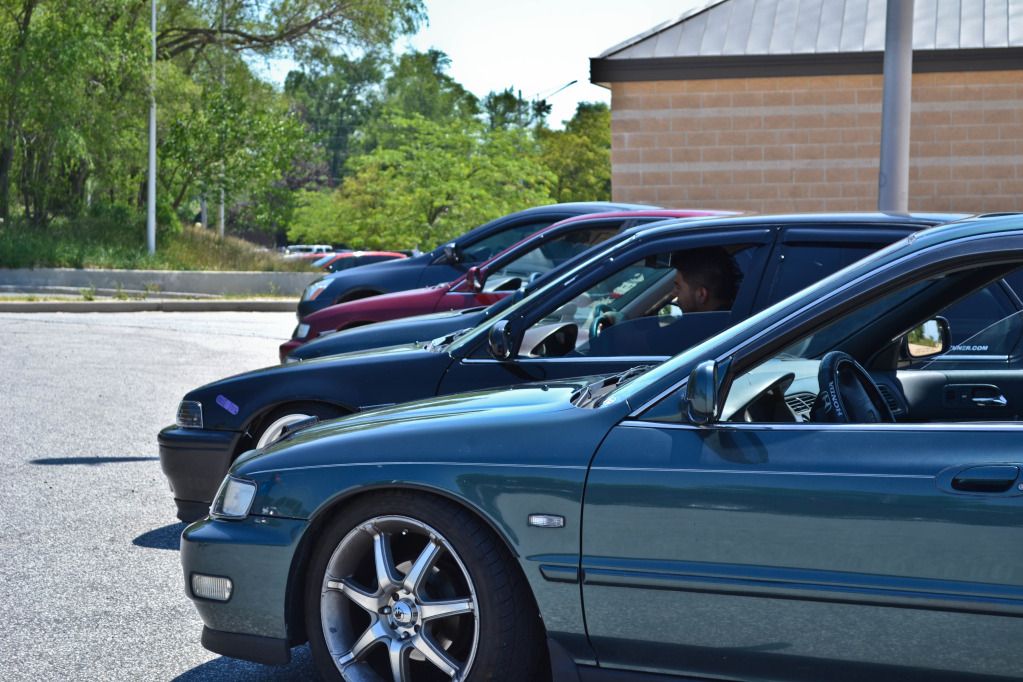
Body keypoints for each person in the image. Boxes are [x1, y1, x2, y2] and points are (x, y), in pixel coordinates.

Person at [672, 247, 742, 313]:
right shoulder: (738, 319)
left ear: (701, 294)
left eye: (679, 287)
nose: (674, 293)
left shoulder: (706, 325)